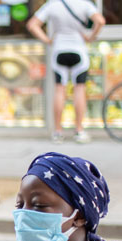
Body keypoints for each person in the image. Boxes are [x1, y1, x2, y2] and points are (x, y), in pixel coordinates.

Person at [27, 0, 106, 144]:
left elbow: (32, 25)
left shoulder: (52, 4)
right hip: (79, 50)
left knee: (59, 90)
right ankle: (79, 130)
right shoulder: (84, 4)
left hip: (59, 49)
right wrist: (91, 37)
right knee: (79, 89)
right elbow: (100, 21)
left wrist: (47, 40)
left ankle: (57, 132)